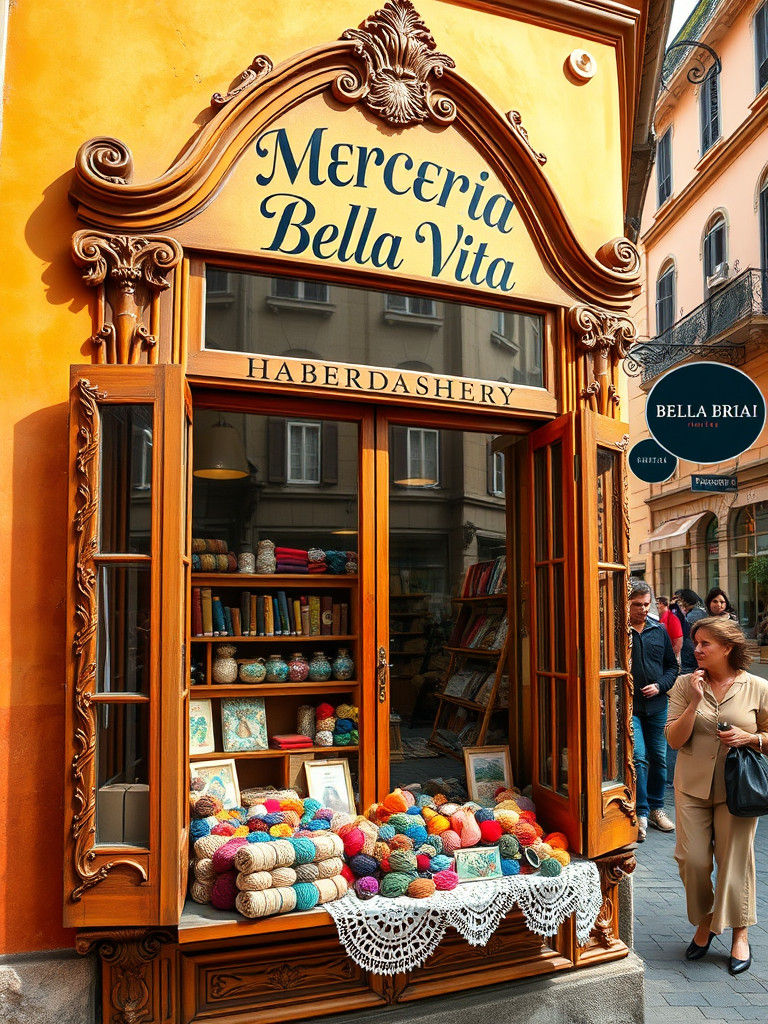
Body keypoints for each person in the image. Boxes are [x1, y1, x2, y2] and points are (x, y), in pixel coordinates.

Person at [665, 616, 768, 976]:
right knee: (691, 861)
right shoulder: (683, 684)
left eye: (705, 643)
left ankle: (740, 933)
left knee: (735, 862)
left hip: (739, 789)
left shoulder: (758, 687)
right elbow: (674, 740)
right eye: (695, 643)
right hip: (691, 786)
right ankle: (706, 921)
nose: (696, 649)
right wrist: (694, 702)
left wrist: (751, 738)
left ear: (727, 647)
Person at [630, 582, 679, 841]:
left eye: (647, 604)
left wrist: (660, 686)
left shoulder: (658, 630)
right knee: (638, 758)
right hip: (631, 707)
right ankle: (641, 812)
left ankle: (658, 808)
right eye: (637, 604)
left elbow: (673, 668)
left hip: (658, 705)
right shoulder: (619, 631)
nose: (643, 609)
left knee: (659, 758)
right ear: (627, 604)